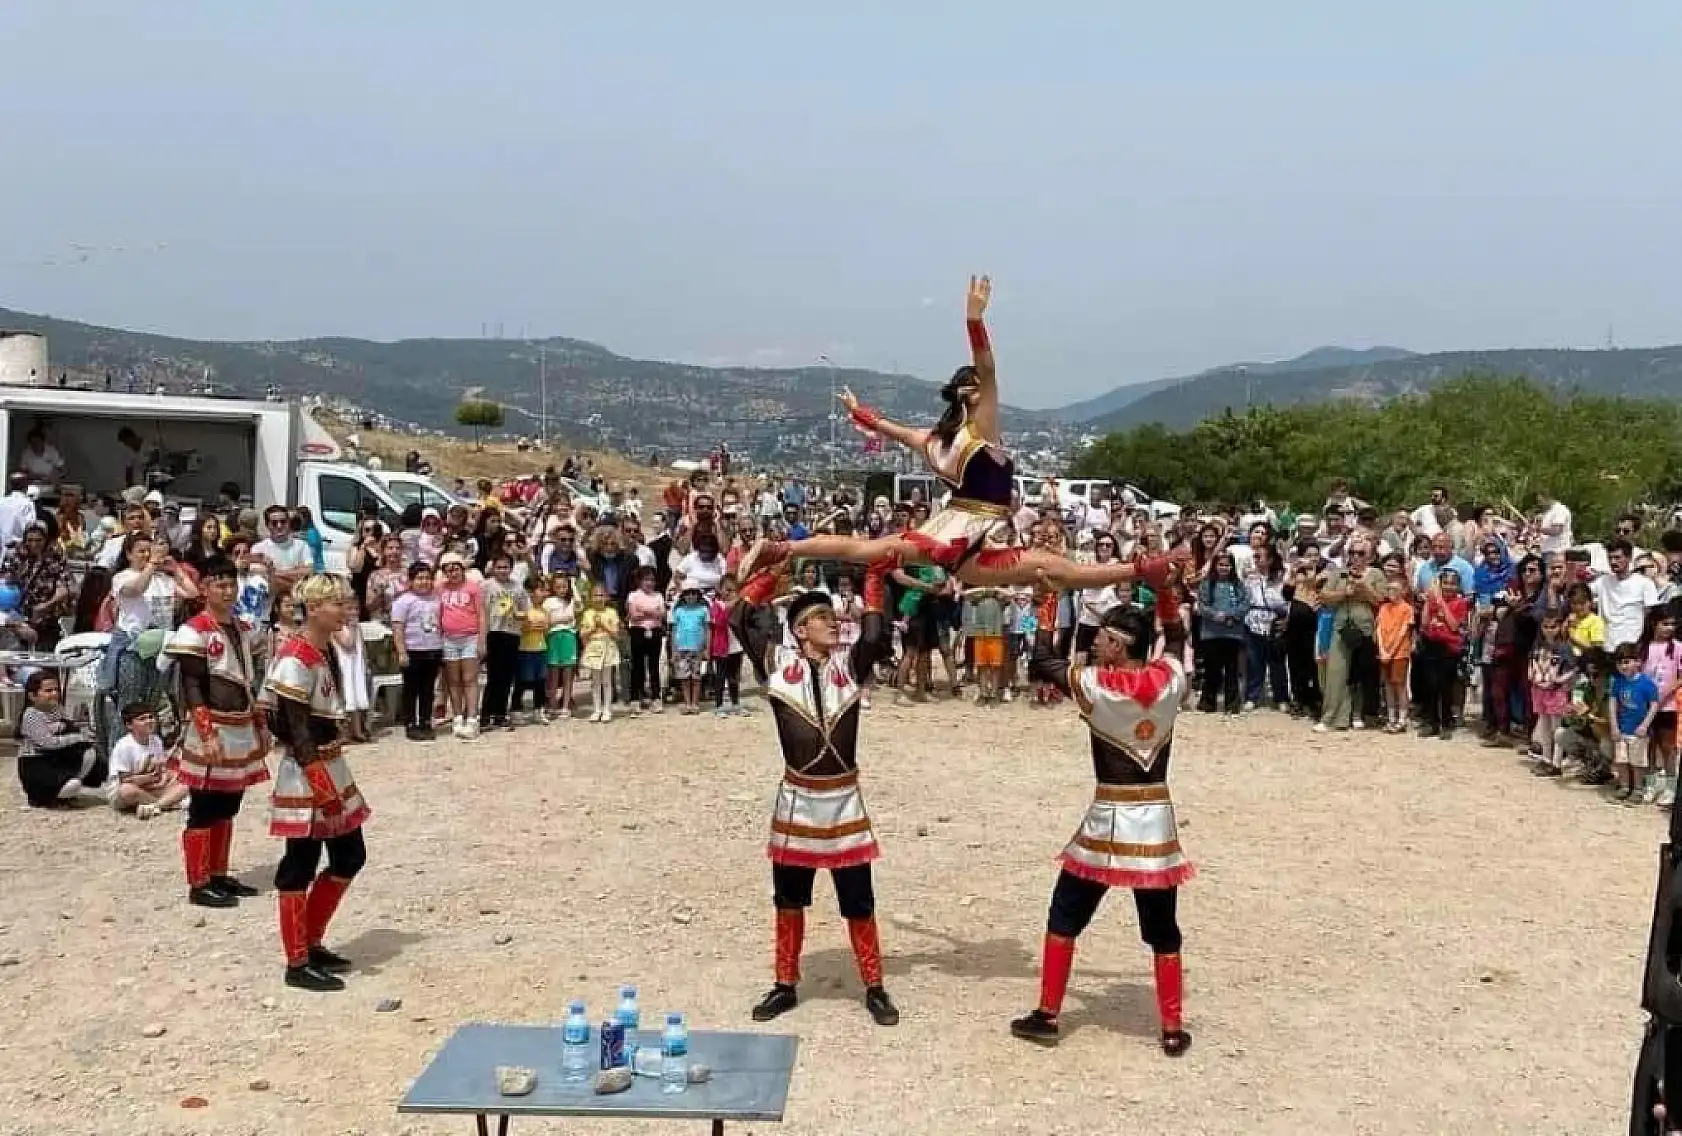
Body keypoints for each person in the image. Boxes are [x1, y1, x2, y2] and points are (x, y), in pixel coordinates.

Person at [739, 278, 1157, 594]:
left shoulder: (934, 439)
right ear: (973, 392)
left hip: (959, 536)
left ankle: (783, 550)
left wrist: (859, 412)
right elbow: (988, 369)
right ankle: (1142, 570)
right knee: (1054, 568)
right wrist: (974, 321)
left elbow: (888, 428)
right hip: (970, 531)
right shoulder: (982, 429)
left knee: (864, 550)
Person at [1009, 604, 1195, 1056]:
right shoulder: (1171, 680)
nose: (1094, 643)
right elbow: (1173, 637)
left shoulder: (1096, 685)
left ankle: (1048, 1014)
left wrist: (1047, 602)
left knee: (1065, 915)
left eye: (1102, 638)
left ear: (1118, 644)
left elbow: (1042, 660)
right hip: (1155, 824)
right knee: (1162, 929)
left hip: (1108, 819)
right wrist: (1167, 596)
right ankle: (1171, 1029)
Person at [729, 560, 900, 1028]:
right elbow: (738, 617)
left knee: (858, 899)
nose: (833, 623)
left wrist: (873, 575)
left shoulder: (848, 665)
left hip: (844, 801)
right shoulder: (778, 667)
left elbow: (871, 634)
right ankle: (785, 984)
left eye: (833, 616)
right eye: (823, 618)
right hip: (798, 803)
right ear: (802, 629)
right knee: (789, 898)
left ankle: (875, 985)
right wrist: (775, 570)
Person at [262, 574, 370, 992]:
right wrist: (316, 778)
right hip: (308, 773)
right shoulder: (296, 658)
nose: (345, 610)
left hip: (330, 764)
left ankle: (311, 937)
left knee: (349, 855)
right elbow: (289, 723)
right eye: (337, 604)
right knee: (300, 863)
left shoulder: (321, 652)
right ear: (315, 608)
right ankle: (297, 959)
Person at [165, 558, 272, 908]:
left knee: (229, 802)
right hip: (212, 725)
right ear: (206, 588)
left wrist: (259, 722)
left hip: (240, 723)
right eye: (219, 584)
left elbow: (245, 680)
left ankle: (218, 873)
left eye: (231, 584)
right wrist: (206, 732)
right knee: (205, 804)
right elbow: (192, 685)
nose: (227, 591)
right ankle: (198, 882)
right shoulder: (193, 630)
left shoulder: (240, 627)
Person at [16, 672, 106, 807]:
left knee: (89, 753)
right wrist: (76, 737)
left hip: (56, 757)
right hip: (36, 763)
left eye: (56, 690)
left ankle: (62, 795)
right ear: (32, 696)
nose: (54, 694)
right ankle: (45, 798)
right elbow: (48, 743)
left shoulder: (57, 708)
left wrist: (81, 734)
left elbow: (69, 726)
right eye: (48, 691)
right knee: (73, 785)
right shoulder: (31, 715)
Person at [390, 562, 443, 741]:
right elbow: (398, 628)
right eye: (419, 578)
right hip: (413, 650)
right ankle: (410, 722)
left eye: (427, 578)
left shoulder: (436, 599)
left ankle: (426, 721)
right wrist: (402, 652)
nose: (424, 582)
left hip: (433, 649)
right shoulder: (403, 601)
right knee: (411, 688)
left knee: (428, 689)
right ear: (411, 581)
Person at [107, 703, 188, 817]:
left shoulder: (156, 740)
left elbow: (162, 770)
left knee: (185, 781)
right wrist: (150, 779)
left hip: (151, 785)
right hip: (128, 788)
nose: (149, 721)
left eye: (150, 717)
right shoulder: (124, 746)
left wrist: (162, 779)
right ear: (129, 725)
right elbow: (125, 780)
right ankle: (167, 803)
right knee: (128, 791)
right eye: (142, 719)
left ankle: (155, 806)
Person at [1610, 642, 1664, 806]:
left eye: (1626, 662)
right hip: (1622, 728)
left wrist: (1645, 725)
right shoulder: (1618, 682)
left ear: (1638, 662)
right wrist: (1614, 725)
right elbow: (1613, 703)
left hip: (1638, 731)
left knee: (1637, 762)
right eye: (1620, 663)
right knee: (1621, 760)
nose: (1623, 666)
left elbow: (1654, 705)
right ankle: (1624, 787)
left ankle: (1638, 790)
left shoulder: (1647, 684)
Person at [578, 583, 622, 723]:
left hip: (607, 645)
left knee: (607, 681)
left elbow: (616, 634)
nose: (599, 598)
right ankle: (597, 709)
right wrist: (593, 629)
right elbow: (583, 634)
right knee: (595, 681)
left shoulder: (611, 612)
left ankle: (607, 709)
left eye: (601, 595)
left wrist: (603, 625)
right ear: (591, 598)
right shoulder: (588, 613)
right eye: (596, 595)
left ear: (606, 597)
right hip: (593, 646)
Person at [543, 575, 580, 718]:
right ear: (553, 588)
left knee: (568, 672)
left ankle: (565, 705)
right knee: (553, 673)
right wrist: (561, 619)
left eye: (565, 586)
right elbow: (548, 622)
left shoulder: (571, 601)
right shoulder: (548, 602)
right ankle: (552, 704)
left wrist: (574, 585)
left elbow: (578, 607)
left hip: (569, 636)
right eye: (558, 587)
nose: (562, 590)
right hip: (553, 637)